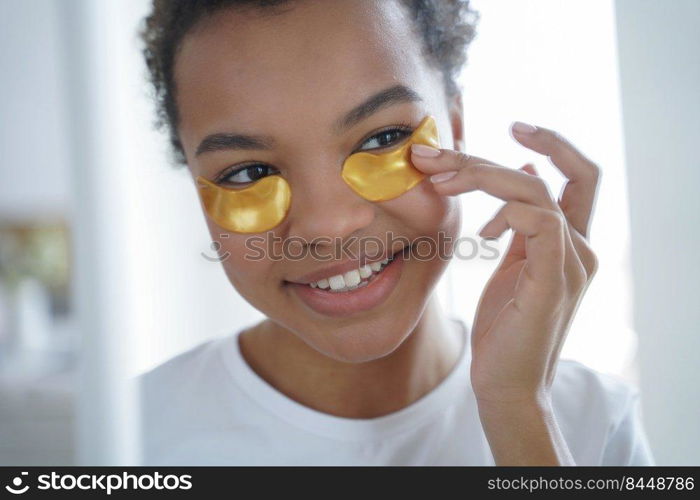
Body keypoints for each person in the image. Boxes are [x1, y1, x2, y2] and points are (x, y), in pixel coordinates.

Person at [137, 0, 654, 465]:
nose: (329, 225)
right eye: (248, 173)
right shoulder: (126, 442)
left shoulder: (593, 425)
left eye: (384, 137)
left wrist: (518, 409)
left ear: (456, 126)